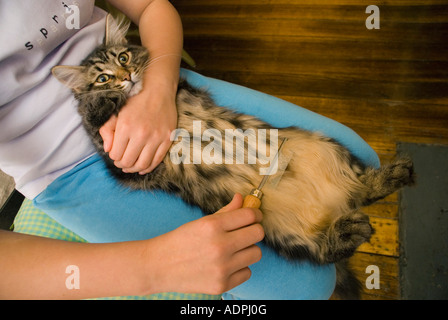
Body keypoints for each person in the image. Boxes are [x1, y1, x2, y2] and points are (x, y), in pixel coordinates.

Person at [0, 0, 335, 299]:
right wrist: (154, 265)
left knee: (351, 160)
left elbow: (150, 6)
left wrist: (158, 92)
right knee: (306, 289)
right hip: (65, 167)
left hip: (153, 87)